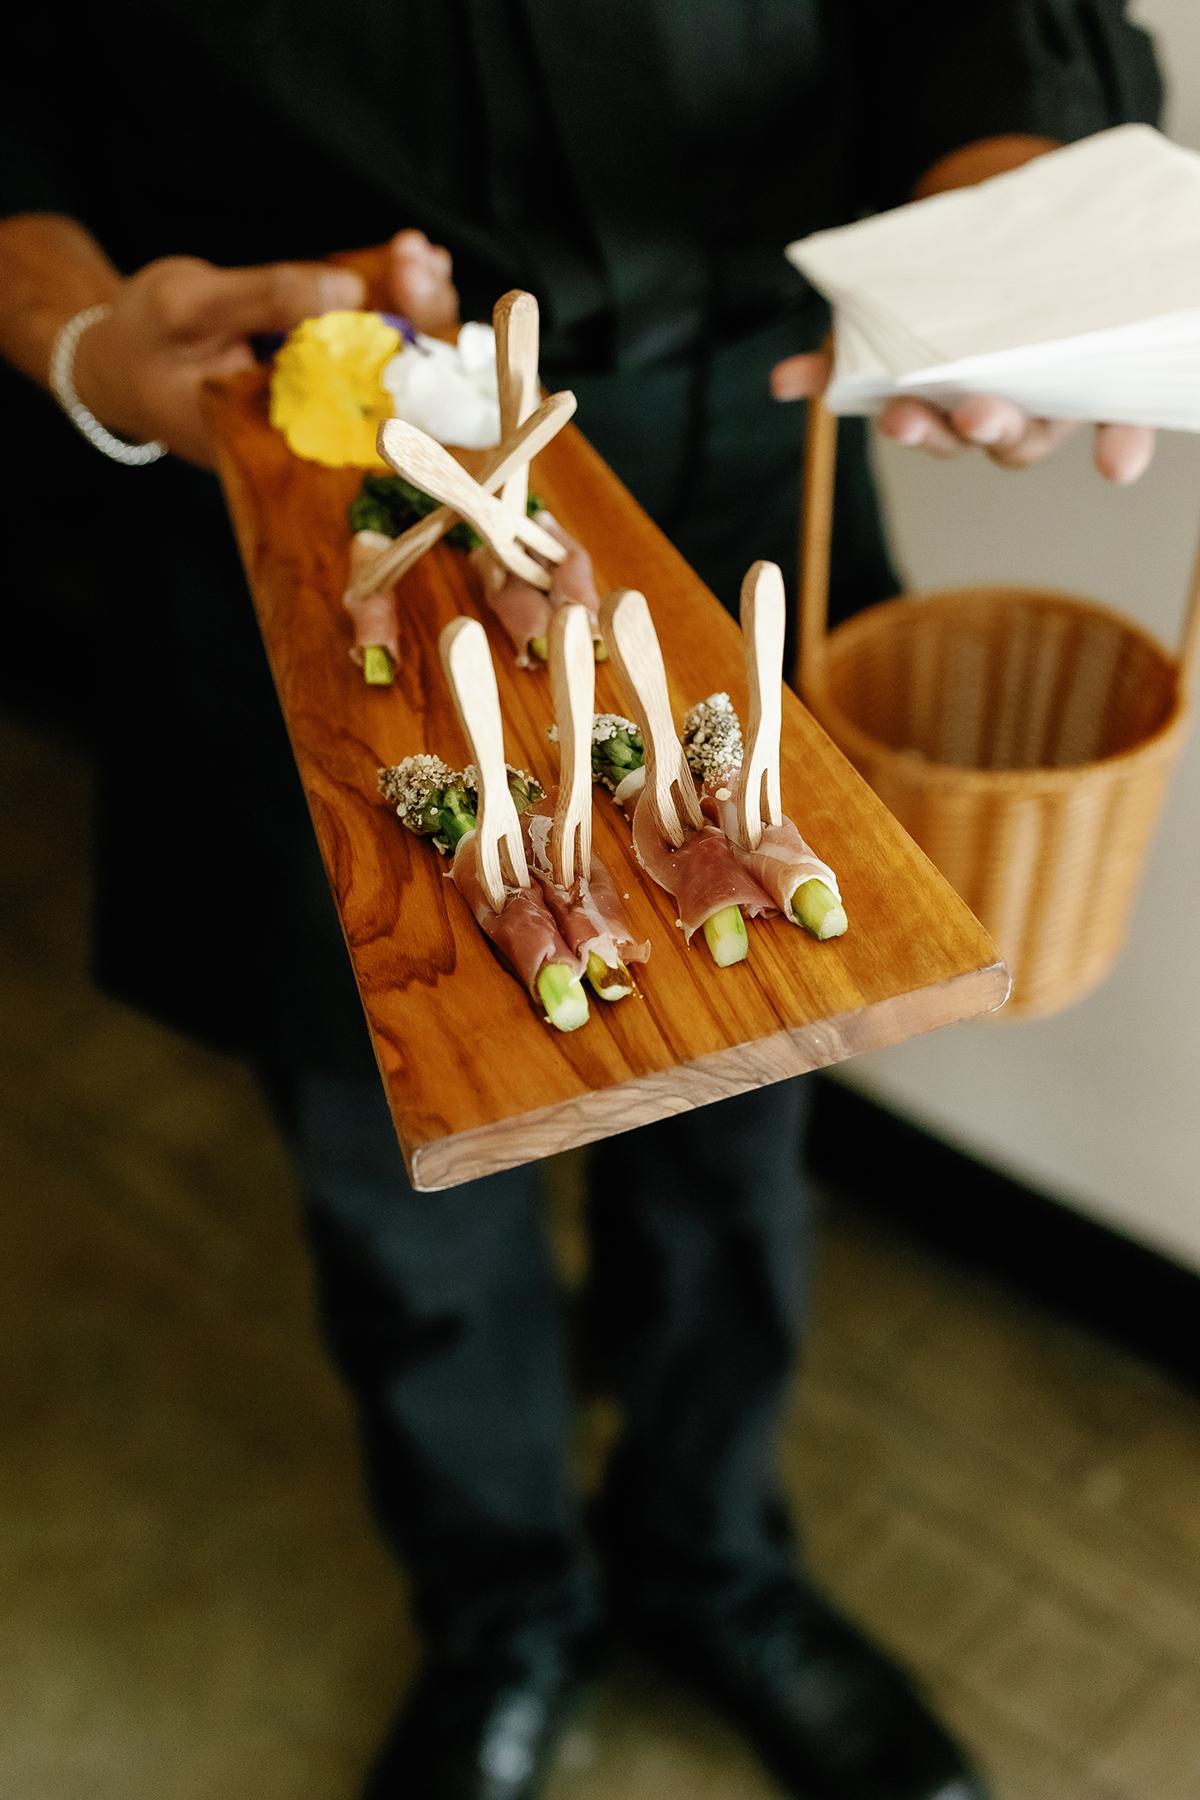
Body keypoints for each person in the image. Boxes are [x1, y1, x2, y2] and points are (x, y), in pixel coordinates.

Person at [0, 7, 1162, 1798]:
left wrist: (1001, 221)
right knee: (399, 1185)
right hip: (291, 486)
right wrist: (78, 337)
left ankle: (717, 1563)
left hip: (730, 415)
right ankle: (505, 1611)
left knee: (740, 1126)